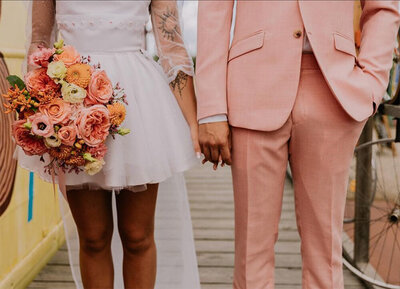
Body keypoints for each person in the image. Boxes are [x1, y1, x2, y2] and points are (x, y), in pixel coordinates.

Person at [196, 1, 400, 288]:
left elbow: (382, 7)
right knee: (251, 250)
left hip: (334, 89)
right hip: (252, 86)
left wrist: (373, 83)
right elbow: (213, 10)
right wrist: (212, 109)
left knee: (326, 255)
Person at [21, 1, 201, 288]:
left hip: (137, 101)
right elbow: (39, 43)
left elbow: (172, 47)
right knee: (93, 237)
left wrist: (193, 123)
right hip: (71, 96)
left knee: (137, 235)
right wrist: (41, 108)